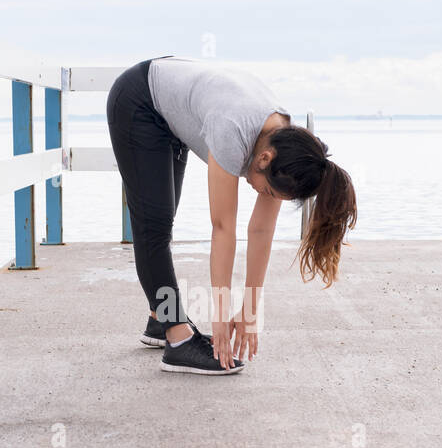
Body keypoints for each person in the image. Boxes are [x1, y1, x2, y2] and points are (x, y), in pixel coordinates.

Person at [105, 56, 357, 376]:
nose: (261, 195)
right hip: (139, 100)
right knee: (153, 226)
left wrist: (250, 310)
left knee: (160, 222)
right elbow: (223, 228)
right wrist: (221, 317)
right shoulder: (233, 130)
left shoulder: (289, 152)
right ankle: (178, 340)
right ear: (264, 158)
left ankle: (161, 318)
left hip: (172, 114)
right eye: (266, 191)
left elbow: (261, 231)